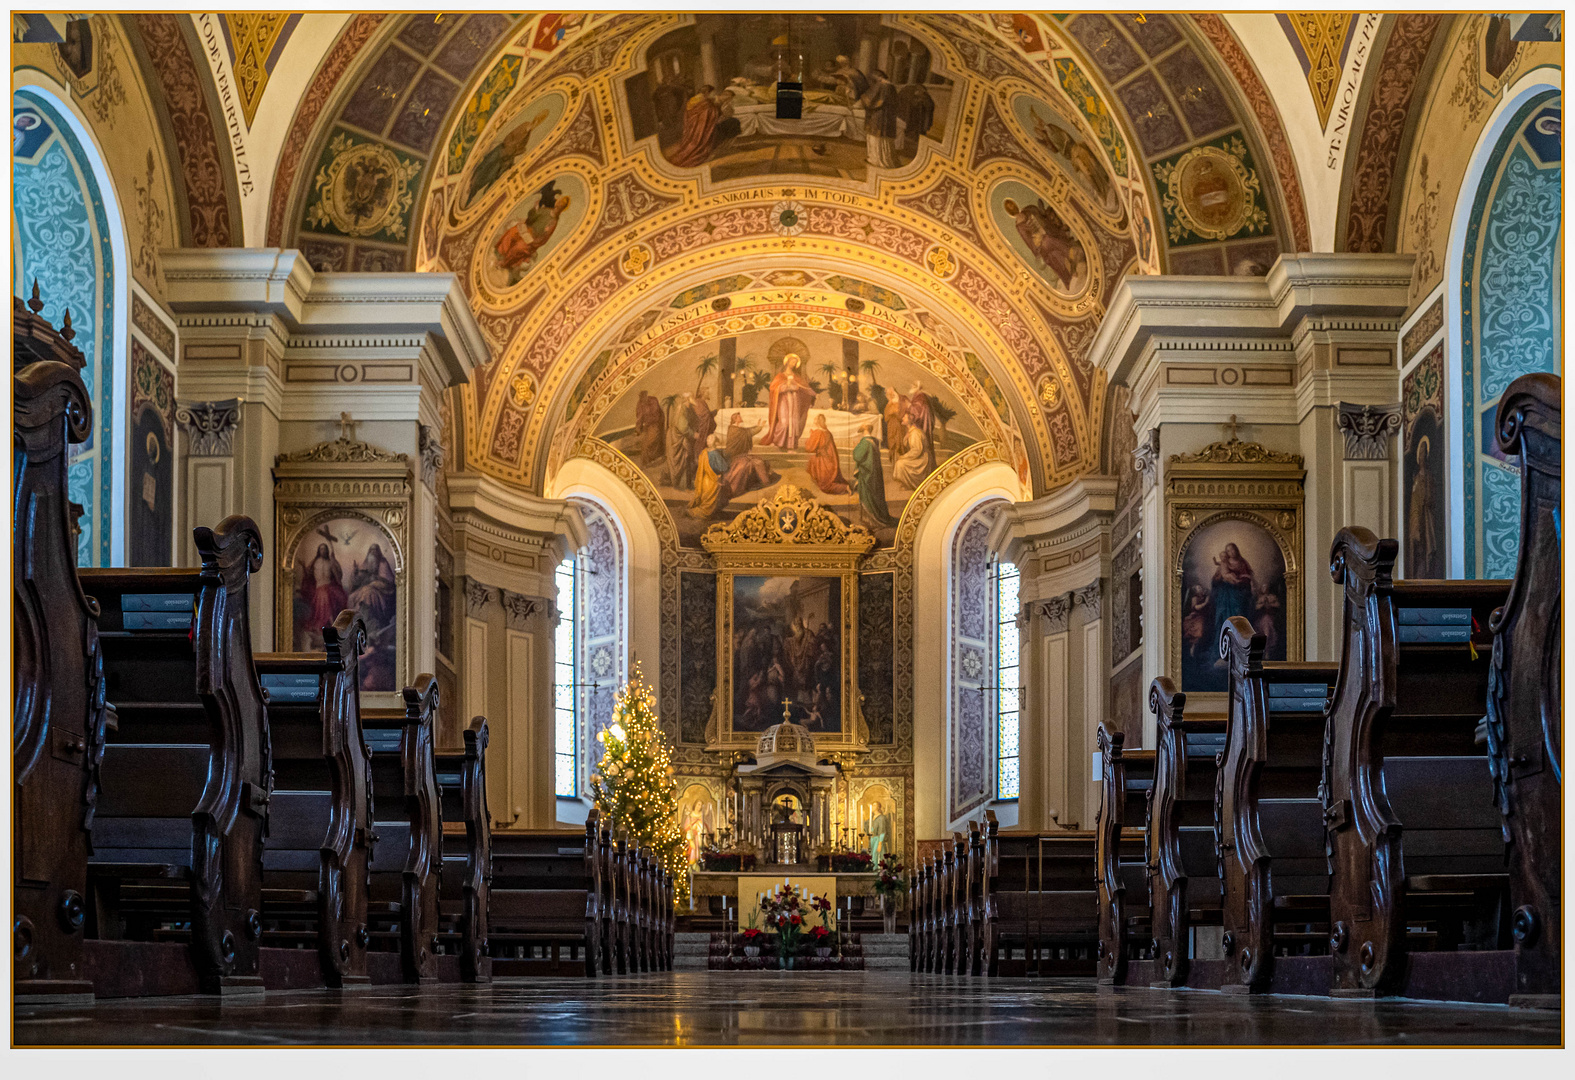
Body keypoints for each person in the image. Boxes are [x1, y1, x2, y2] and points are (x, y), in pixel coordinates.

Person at [466, 108, 549, 207]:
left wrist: (520, 151)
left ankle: (474, 193)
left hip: (505, 158)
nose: (538, 122)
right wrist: (512, 148)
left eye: (541, 121)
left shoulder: (529, 133)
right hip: (501, 151)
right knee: (485, 166)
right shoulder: (525, 126)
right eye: (539, 119)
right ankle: (471, 186)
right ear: (537, 117)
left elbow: (520, 148)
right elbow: (509, 137)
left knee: (490, 175)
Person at [1002, 196, 1085, 292]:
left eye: (1011, 204)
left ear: (1014, 203)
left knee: (1049, 242)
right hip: (1042, 247)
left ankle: (1070, 272)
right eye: (1010, 207)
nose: (1012, 207)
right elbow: (1031, 245)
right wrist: (1038, 240)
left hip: (1051, 232)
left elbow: (1044, 216)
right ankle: (1069, 253)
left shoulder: (1029, 209)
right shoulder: (1020, 227)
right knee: (1046, 240)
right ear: (1009, 212)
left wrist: (1045, 227)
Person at [494, 181, 569, 283]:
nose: (559, 205)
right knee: (512, 232)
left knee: (519, 247)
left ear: (562, 209)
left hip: (532, 241)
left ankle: (504, 263)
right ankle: (499, 252)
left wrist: (533, 243)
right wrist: (535, 209)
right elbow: (531, 219)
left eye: (562, 205)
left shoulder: (553, 222)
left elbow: (544, 239)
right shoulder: (546, 211)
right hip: (527, 229)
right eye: (560, 203)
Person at [668, 85, 738, 168]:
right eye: (728, 96)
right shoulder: (706, 101)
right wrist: (716, 112)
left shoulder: (709, 101)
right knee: (698, 145)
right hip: (701, 126)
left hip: (703, 125)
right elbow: (704, 111)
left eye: (729, 98)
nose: (728, 99)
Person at [1207, 542, 1256, 659]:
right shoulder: (1224, 564)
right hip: (1225, 596)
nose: (1231, 552)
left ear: (1236, 550)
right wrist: (1219, 579)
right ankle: (1222, 652)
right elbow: (1215, 581)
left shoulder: (1243, 563)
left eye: (1232, 550)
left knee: (1239, 622)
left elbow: (1248, 579)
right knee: (1223, 620)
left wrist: (1239, 581)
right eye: (1228, 551)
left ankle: (1240, 652)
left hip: (1238, 596)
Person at [300, 542, 347, 646]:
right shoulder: (315, 562)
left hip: (328, 587)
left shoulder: (330, 562)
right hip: (318, 588)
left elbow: (337, 576)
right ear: (319, 551)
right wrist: (303, 567)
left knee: (326, 595)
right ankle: (328, 623)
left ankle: (331, 622)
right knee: (323, 595)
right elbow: (309, 575)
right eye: (321, 549)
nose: (323, 551)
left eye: (325, 549)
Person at [765, 353, 816, 450]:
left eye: (795, 362)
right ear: (787, 362)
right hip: (783, 401)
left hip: (794, 401)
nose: (794, 364)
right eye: (792, 361)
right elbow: (773, 388)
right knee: (784, 423)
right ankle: (778, 442)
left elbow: (805, 388)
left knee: (793, 423)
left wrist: (813, 393)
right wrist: (786, 386)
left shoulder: (797, 377)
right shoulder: (780, 376)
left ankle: (790, 445)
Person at [851, 420, 896, 527]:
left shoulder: (865, 443)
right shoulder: (874, 442)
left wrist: (855, 448)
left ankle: (872, 521)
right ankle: (872, 519)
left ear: (864, 430)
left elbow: (857, 456)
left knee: (868, 497)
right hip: (874, 474)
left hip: (867, 475)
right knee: (875, 496)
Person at [858, 69, 900, 168]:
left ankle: (876, 160)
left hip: (879, 116)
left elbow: (869, 100)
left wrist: (861, 98)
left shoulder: (881, 85)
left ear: (877, 76)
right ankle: (886, 159)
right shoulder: (891, 86)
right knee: (884, 138)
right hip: (888, 117)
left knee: (876, 137)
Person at [804, 414, 850, 495]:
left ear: (817, 422)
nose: (814, 422)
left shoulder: (818, 433)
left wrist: (811, 435)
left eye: (815, 420)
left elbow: (809, 448)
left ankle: (844, 488)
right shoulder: (828, 432)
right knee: (812, 460)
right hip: (831, 461)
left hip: (824, 462)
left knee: (825, 487)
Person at [666, 394, 697, 490]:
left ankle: (687, 485)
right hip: (677, 439)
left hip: (681, 438)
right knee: (683, 461)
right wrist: (693, 434)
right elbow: (683, 427)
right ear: (687, 399)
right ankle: (683, 486)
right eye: (692, 397)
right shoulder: (682, 408)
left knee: (687, 460)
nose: (694, 399)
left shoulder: (687, 408)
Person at [893, 422, 932, 489]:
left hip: (922, 459)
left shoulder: (915, 433)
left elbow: (916, 450)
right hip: (917, 456)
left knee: (900, 463)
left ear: (909, 420)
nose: (902, 418)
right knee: (900, 462)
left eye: (905, 417)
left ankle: (910, 484)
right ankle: (906, 483)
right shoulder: (910, 432)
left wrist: (904, 457)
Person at [635, 389, 666, 466]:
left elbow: (656, 413)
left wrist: (650, 422)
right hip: (648, 425)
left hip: (656, 423)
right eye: (641, 397)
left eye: (644, 396)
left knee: (654, 441)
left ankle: (654, 458)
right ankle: (646, 462)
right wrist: (638, 428)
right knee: (646, 443)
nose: (643, 398)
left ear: (646, 395)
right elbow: (639, 417)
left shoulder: (653, 400)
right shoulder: (640, 404)